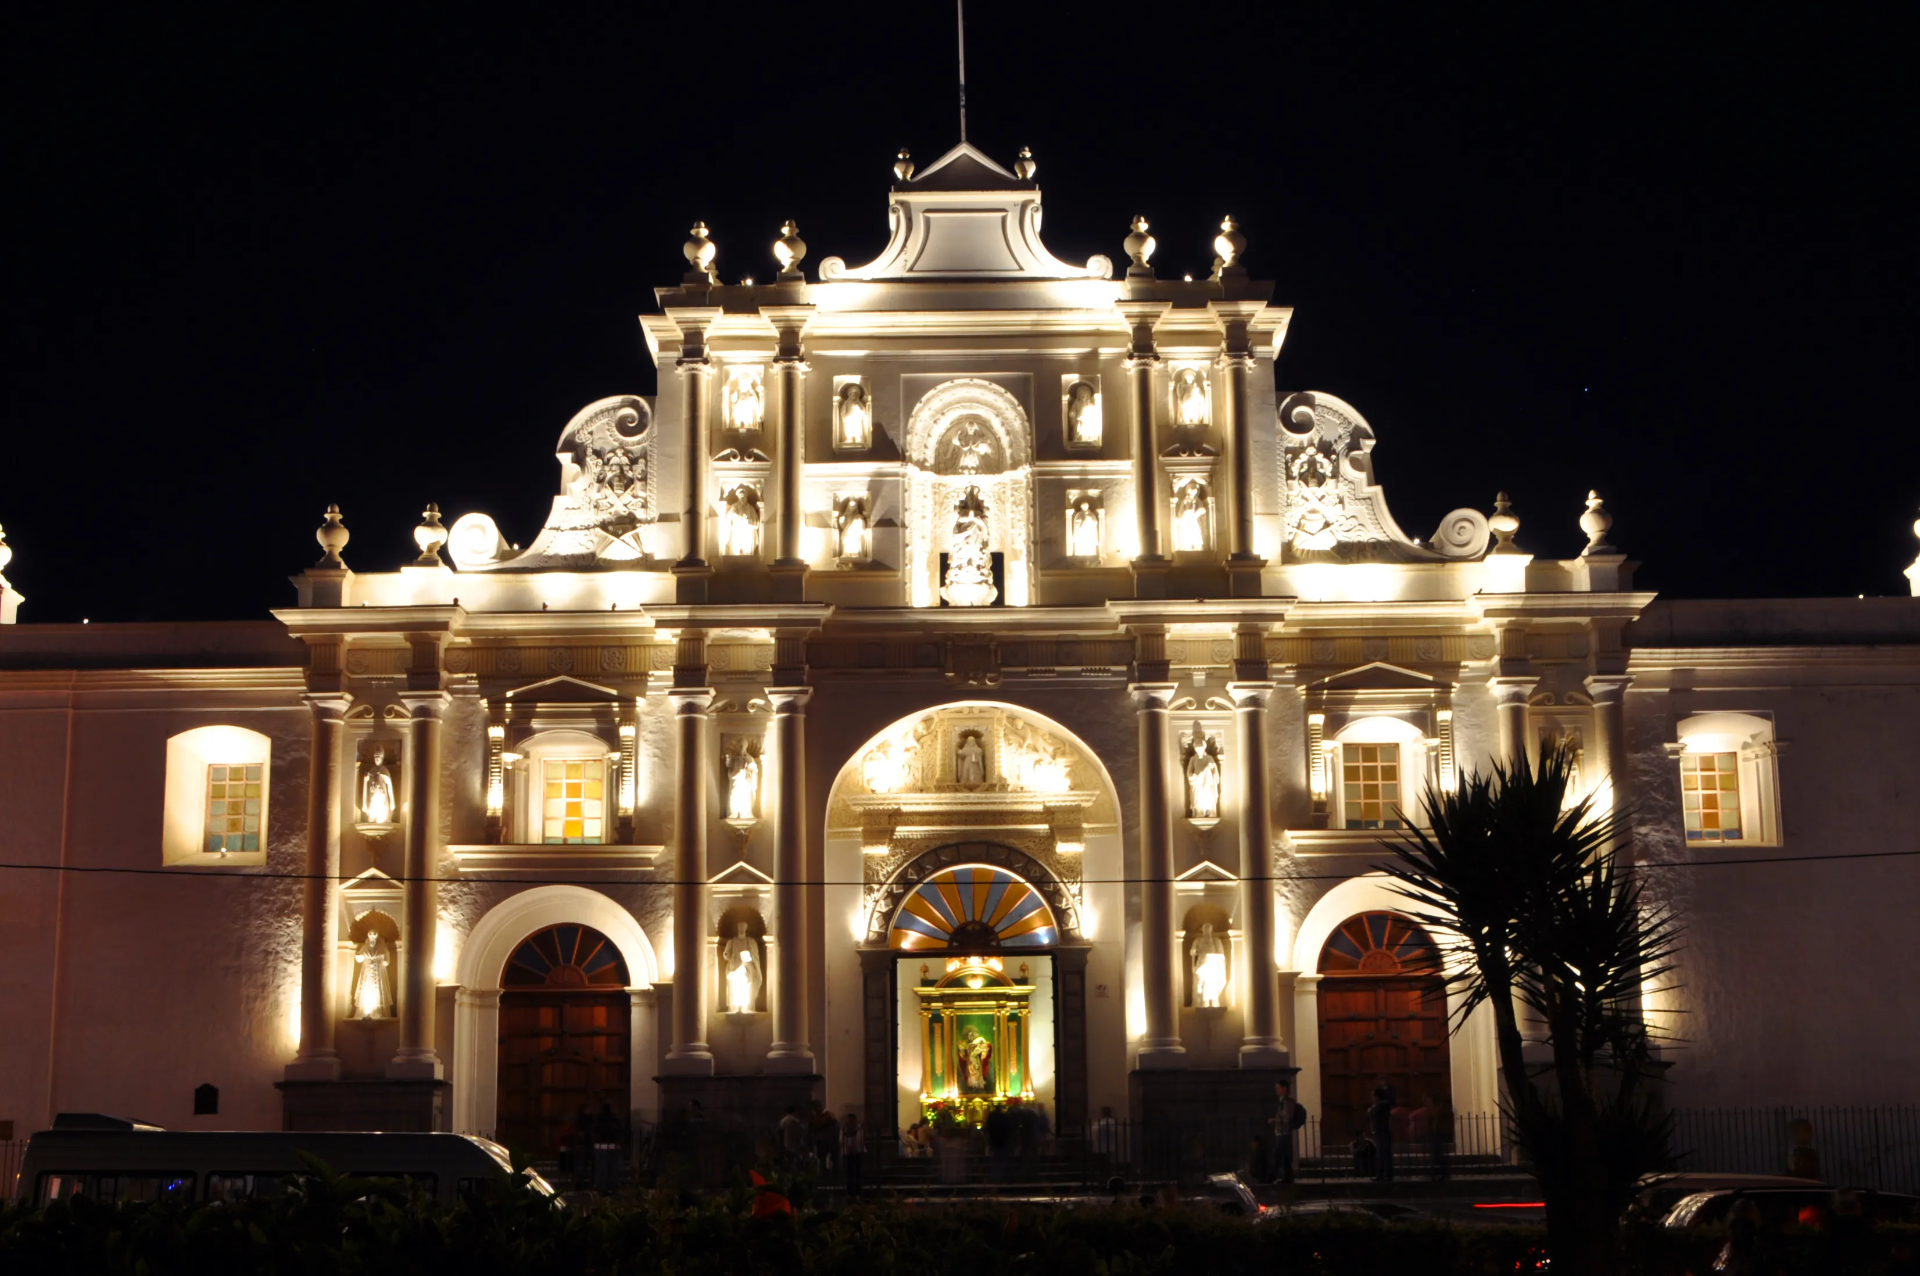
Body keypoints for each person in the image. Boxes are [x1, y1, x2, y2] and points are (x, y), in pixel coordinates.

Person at [1270, 1080, 1301, 1183]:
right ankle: (1288, 1177)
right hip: (1282, 1132)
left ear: (1284, 1088)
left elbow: (1287, 1117)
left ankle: (1272, 1177)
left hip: (1284, 1132)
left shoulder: (1287, 1102)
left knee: (1278, 1155)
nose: (1277, 1090)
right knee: (1285, 1156)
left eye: (1278, 1087)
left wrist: (1275, 1120)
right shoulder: (1283, 1101)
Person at [1369, 1083, 1397, 1182]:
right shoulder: (1383, 1106)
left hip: (1382, 1131)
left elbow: (1373, 1114)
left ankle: (1382, 1174)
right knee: (1383, 1153)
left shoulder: (1380, 1106)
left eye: (1373, 1095)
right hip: (1382, 1131)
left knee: (1382, 1153)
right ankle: (1385, 1173)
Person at [840, 1111, 865, 1199]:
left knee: (857, 1172)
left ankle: (858, 1191)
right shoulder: (844, 1129)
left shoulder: (859, 1129)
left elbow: (860, 1140)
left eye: (851, 1120)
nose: (849, 1122)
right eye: (848, 1120)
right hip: (847, 1153)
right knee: (849, 1173)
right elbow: (841, 1140)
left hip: (857, 1152)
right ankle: (849, 1192)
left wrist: (853, 1145)